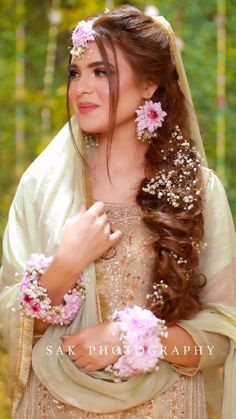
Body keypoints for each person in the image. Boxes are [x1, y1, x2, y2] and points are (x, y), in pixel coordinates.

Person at [0, 5, 235, 419]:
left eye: (101, 72)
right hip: (53, 405)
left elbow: (225, 331)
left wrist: (135, 341)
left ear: (149, 84)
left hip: (167, 407)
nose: (81, 89)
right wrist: (63, 268)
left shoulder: (197, 191)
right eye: (75, 72)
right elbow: (11, 329)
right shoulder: (43, 187)